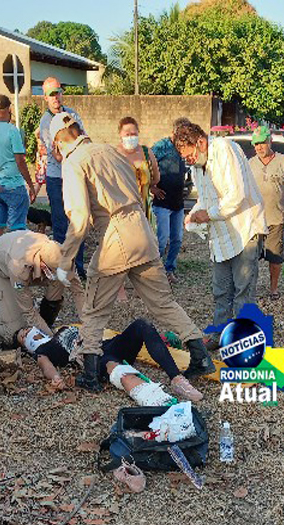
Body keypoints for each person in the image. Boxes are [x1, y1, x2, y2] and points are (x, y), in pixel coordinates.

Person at [49, 111, 214, 391]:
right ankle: (200, 356)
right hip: (142, 230)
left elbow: (79, 216)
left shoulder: (74, 161)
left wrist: (65, 261)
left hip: (115, 234)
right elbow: (139, 191)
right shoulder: (110, 151)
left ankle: (90, 373)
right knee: (163, 302)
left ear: (58, 141)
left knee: (94, 308)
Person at [174, 121, 267, 334]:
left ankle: (242, 342)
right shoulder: (197, 167)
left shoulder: (224, 149)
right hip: (221, 236)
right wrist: (193, 215)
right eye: (185, 158)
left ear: (200, 142)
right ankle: (219, 334)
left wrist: (207, 214)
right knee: (221, 291)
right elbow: (205, 200)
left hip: (244, 229)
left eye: (190, 156)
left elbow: (237, 195)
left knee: (243, 294)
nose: (189, 161)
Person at [16, 318, 204, 405]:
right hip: (91, 358)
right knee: (113, 366)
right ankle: (160, 402)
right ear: (26, 347)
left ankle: (177, 379)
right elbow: (46, 366)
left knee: (142, 325)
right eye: (22, 337)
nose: (27, 333)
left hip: (107, 344)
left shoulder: (63, 329)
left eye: (26, 330)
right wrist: (56, 378)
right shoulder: (42, 351)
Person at [0, 229, 76, 344]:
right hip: (0, 269)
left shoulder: (58, 252)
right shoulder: (18, 268)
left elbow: (79, 291)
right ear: (43, 266)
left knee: (59, 281)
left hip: (27, 259)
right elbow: (28, 311)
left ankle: (45, 323)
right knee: (16, 331)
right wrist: (52, 341)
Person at [38, 77, 87, 279]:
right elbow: (58, 155)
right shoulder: (46, 122)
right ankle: (62, 267)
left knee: (79, 221)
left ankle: (79, 267)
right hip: (57, 177)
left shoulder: (72, 114)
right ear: (45, 98)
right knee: (60, 224)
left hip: (75, 175)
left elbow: (84, 140)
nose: (56, 97)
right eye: (51, 94)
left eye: (58, 92)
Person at [248, 125, 284, 300]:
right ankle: (250, 289)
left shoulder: (282, 161)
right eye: (256, 144)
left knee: (275, 257)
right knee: (250, 257)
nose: (259, 147)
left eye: (262, 143)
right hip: (254, 220)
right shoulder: (250, 163)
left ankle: (273, 288)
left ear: (269, 141)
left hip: (276, 218)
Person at [0, 94, 36, 240]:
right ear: (9, 109)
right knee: (17, 227)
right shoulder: (12, 131)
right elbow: (20, 161)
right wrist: (30, 185)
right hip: (14, 185)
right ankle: (15, 253)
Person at [151, 117, 191, 281]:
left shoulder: (183, 149)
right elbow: (145, 166)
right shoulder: (161, 147)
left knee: (177, 239)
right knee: (161, 240)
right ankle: (153, 272)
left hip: (178, 203)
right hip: (162, 203)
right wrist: (151, 187)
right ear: (175, 132)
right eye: (183, 133)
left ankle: (169, 270)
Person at [115, 116, 160, 216]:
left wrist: (146, 186)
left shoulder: (146, 152)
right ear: (120, 134)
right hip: (124, 211)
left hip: (145, 210)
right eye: (127, 134)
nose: (130, 137)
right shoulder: (114, 154)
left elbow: (156, 178)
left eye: (133, 134)